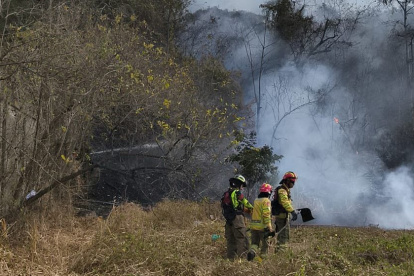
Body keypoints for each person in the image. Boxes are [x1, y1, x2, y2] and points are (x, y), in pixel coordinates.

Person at [221, 174, 254, 260]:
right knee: (241, 239)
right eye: (242, 185)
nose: (242, 188)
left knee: (231, 240)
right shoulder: (237, 193)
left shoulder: (227, 193)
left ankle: (231, 259)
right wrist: (252, 209)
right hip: (237, 218)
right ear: (238, 184)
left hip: (228, 219)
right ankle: (242, 260)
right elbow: (245, 202)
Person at [271, 171, 298, 252]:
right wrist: (292, 211)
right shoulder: (282, 190)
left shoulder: (285, 190)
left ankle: (279, 251)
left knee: (281, 236)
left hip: (282, 216)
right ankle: (282, 253)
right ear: (288, 181)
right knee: (284, 236)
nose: (294, 183)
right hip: (282, 217)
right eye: (293, 181)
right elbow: (285, 202)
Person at [248, 183, 273, 260]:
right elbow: (266, 214)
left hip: (254, 226)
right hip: (263, 227)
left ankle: (252, 252)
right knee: (265, 245)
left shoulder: (256, 200)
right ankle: (262, 260)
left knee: (255, 243)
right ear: (269, 192)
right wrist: (269, 226)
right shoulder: (266, 201)